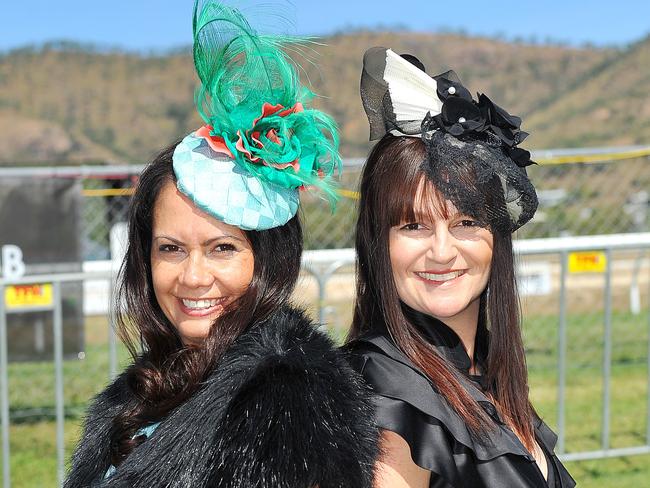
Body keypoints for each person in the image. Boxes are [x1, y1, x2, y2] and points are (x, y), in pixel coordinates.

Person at [64, 2, 377, 487]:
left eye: (222, 248)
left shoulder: (293, 402)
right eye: (170, 248)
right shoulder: (142, 386)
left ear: (268, 257)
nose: (192, 276)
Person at [346, 47, 575, 487]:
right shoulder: (383, 399)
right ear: (379, 242)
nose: (443, 251)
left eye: (466, 222)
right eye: (413, 225)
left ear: (498, 238)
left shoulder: (481, 370)